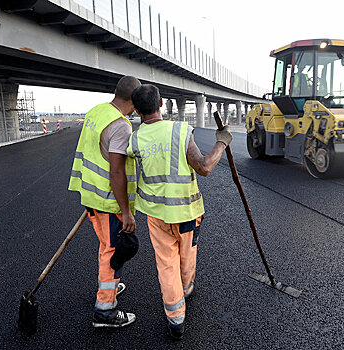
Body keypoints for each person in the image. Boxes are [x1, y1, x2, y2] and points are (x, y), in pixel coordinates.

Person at [127, 84, 233, 340]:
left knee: (166, 265)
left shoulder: (135, 139)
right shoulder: (180, 130)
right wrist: (222, 142)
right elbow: (204, 167)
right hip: (187, 213)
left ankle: (175, 319)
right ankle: (186, 289)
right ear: (161, 103)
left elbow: (123, 163)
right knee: (188, 254)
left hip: (156, 215)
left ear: (137, 111)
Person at [68, 75, 141, 328]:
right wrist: (126, 211)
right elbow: (117, 171)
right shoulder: (121, 126)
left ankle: (109, 285)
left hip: (90, 195)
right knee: (112, 252)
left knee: (106, 246)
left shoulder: (96, 112)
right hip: (108, 202)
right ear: (133, 100)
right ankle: (105, 310)